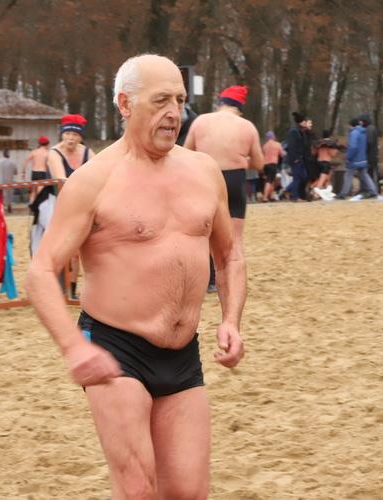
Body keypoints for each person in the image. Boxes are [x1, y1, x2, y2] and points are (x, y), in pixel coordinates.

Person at [25, 54, 246, 499]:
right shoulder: (93, 180)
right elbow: (41, 271)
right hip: (115, 349)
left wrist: (231, 320)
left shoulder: (204, 171)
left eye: (179, 100)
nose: (174, 113)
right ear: (125, 104)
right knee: (137, 488)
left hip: (183, 353)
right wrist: (73, 347)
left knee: (188, 492)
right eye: (161, 100)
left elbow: (229, 257)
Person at [184, 84, 264, 293]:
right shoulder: (247, 126)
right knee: (235, 238)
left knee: (206, 233)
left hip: (206, 178)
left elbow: (186, 153)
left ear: (220, 103)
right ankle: (233, 280)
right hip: (235, 179)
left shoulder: (200, 122)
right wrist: (241, 159)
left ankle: (210, 281)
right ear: (239, 107)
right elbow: (259, 163)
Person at [51, 113, 95, 300]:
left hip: (85, 204)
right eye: (67, 134)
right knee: (62, 249)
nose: (70, 138)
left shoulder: (87, 153)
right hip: (62, 205)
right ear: (62, 134)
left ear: (80, 137)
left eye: (75, 135)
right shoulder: (54, 153)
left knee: (79, 252)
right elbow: (62, 180)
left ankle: (72, 290)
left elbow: (100, 174)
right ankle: (57, 288)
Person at [336, 118, 378, 200]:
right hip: (363, 158)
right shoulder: (364, 132)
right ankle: (373, 191)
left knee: (348, 175)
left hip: (354, 159)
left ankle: (343, 193)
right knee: (364, 175)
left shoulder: (354, 133)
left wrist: (348, 157)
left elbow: (353, 146)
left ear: (351, 125)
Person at [284, 112, 312, 201]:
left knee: (304, 176)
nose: (305, 123)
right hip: (295, 159)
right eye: (304, 122)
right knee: (297, 178)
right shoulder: (293, 132)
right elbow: (291, 146)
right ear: (300, 122)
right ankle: (294, 196)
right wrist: (295, 158)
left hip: (300, 158)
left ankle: (288, 189)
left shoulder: (300, 131)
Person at [261, 131, 284, 202]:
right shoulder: (277, 144)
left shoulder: (264, 146)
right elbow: (282, 154)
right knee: (269, 181)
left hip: (265, 165)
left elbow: (263, 155)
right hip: (273, 164)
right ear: (274, 137)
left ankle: (271, 196)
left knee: (272, 180)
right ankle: (265, 197)